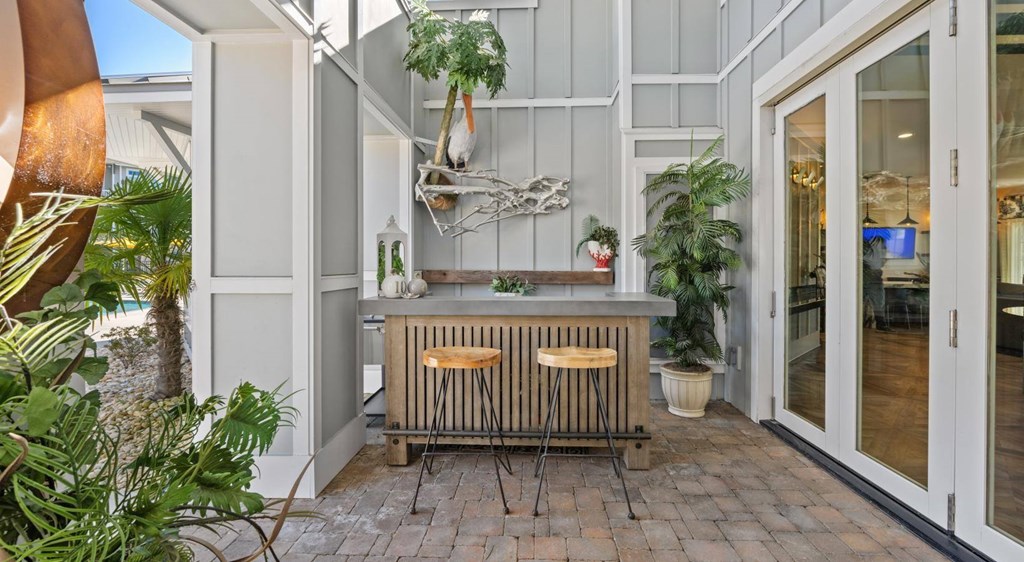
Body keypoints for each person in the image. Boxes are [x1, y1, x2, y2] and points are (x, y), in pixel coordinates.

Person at [863, 235, 891, 331]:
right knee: (878, 301)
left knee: (877, 300)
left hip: (869, 275)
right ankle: (881, 324)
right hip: (869, 275)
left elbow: (882, 260)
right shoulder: (877, 242)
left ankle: (880, 324)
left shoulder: (869, 242)